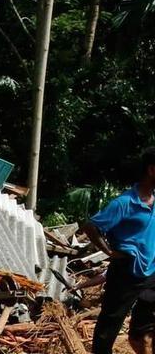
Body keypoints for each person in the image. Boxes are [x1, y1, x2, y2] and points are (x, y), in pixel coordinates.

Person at [84, 147, 155, 354]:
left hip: (150, 272)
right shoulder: (124, 203)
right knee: (109, 325)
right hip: (125, 272)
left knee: (146, 325)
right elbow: (91, 226)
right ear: (151, 170)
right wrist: (109, 252)